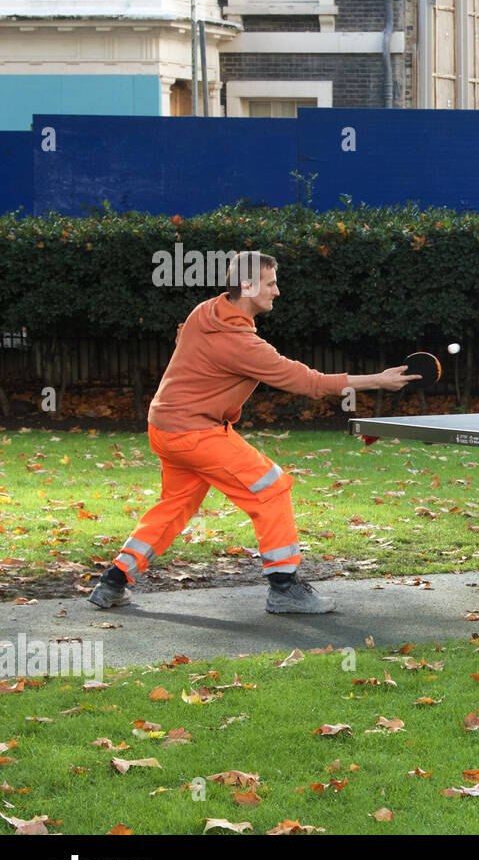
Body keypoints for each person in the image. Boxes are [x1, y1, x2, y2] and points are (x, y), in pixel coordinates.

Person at [87, 251, 418, 614]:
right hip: (197, 432)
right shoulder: (241, 344)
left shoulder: (205, 311)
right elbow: (309, 382)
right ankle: (284, 587)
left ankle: (113, 582)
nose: (277, 291)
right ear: (247, 285)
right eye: (271, 283)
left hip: (164, 428)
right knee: (272, 488)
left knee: (175, 506)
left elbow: (187, 340)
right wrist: (379, 381)